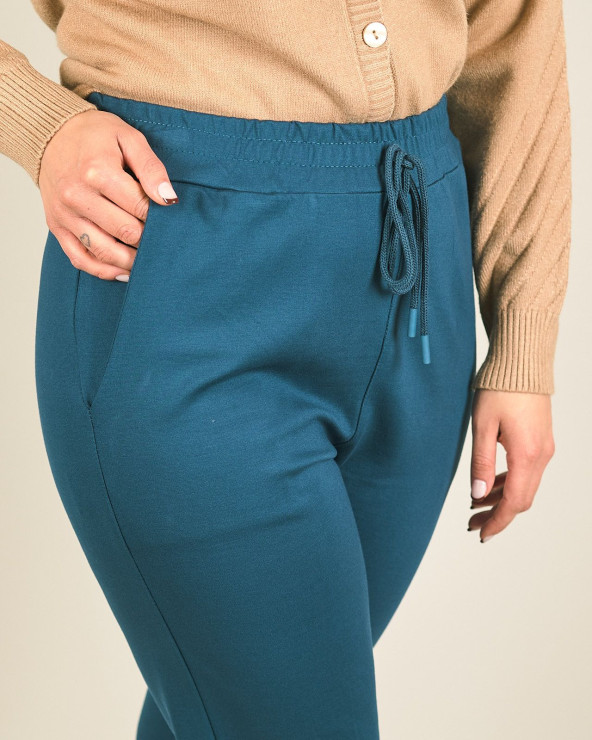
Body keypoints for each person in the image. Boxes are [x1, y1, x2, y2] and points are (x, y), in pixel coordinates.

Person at [0, 1, 571, 738]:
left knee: (238, 710)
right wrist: (35, 122)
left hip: (420, 286)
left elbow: (517, 27)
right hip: (184, 269)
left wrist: (524, 334)